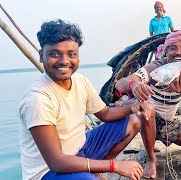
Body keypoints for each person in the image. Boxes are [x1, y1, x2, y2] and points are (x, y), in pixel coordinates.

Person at [19, 19, 156, 180]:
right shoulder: (38, 98)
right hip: (49, 171)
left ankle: (95, 173)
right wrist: (115, 165)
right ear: (42, 56)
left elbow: (104, 114)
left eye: (71, 54)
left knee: (134, 120)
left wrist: (132, 108)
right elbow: (56, 162)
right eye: (54, 54)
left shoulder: (80, 81)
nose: (64, 61)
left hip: (80, 147)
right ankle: (92, 175)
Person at [115, 30, 181, 179]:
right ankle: (151, 159)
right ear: (166, 51)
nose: (178, 52)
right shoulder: (156, 67)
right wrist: (134, 84)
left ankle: (153, 137)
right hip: (148, 115)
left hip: (167, 120)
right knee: (147, 110)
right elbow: (119, 84)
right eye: (173, 48)